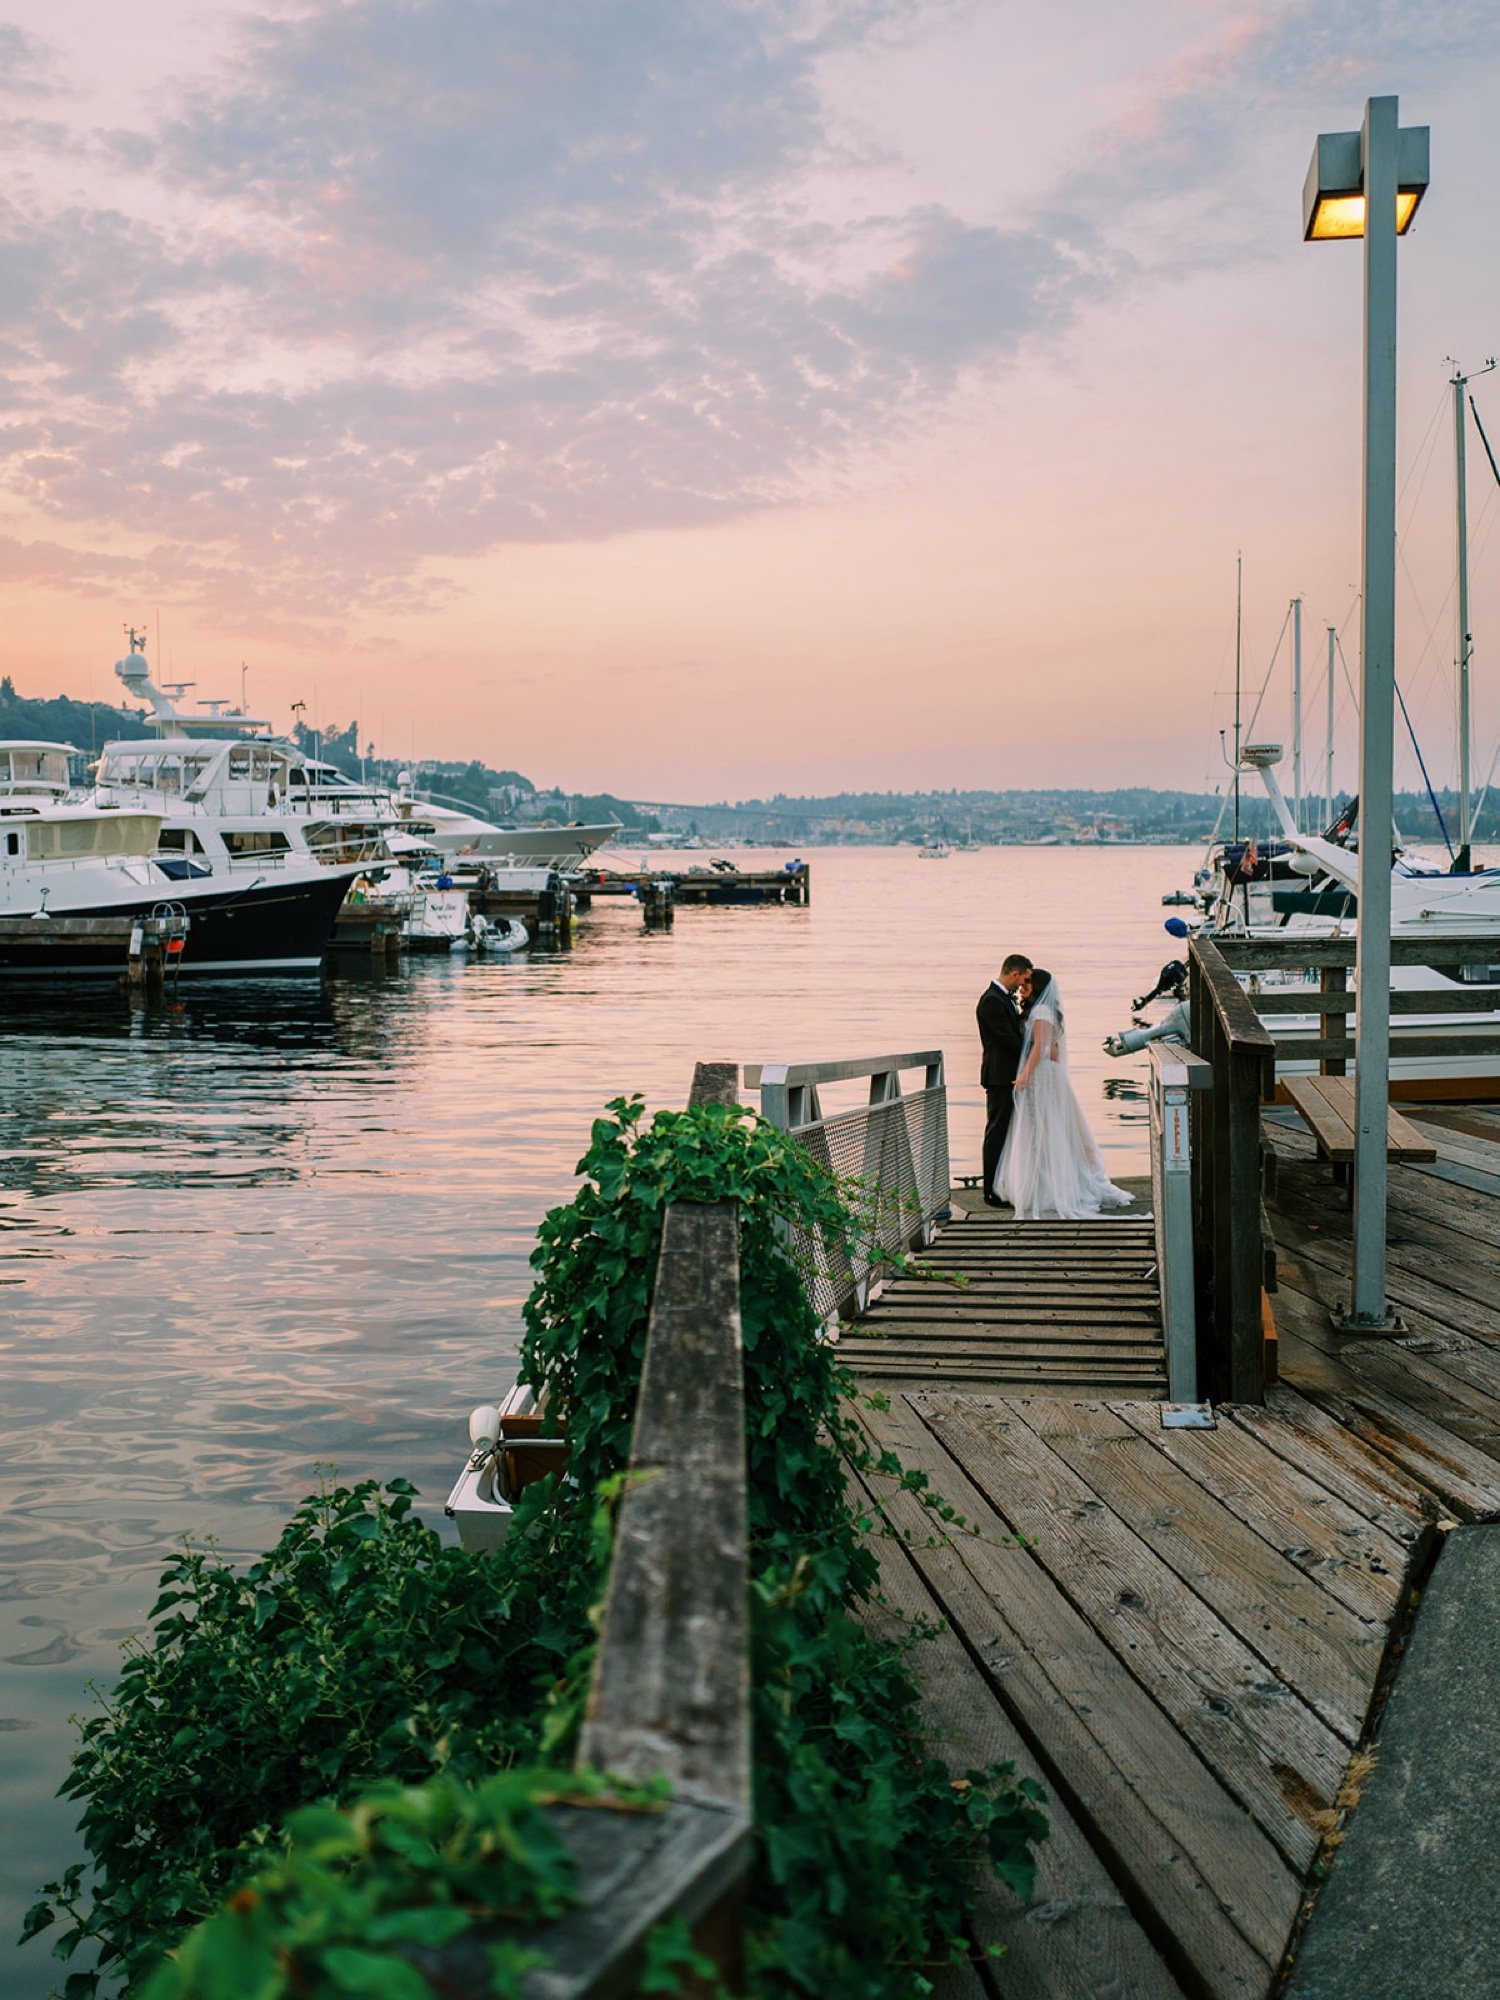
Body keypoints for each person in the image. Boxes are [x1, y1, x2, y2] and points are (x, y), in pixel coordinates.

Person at [995, 967, 1132, 1220]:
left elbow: (1040, 1046)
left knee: (1045, 1127)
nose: (1024, 985)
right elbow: (1052, 1048)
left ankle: (1050, 1183)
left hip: (1041, 1075)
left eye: (1028, 982)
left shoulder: (1042, 1011)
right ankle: (1042, 1180)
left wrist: (1026, 1073)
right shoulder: (1041, 1011)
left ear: (1038, 985)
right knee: (1041, 1127)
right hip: (1045, 1073)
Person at [977, 952, 1032, 1206]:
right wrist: (1036, 1049)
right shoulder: (991, 1001)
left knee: (1007, 1131)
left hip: (1010, 1074)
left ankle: (1003, 1183)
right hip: (1000, 1075)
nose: (1022, 985)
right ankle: (990, 1191)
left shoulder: (1003, 999)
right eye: (1022, 980)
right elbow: (1008, 1040)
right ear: (1013, 974)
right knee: (996, 1131)